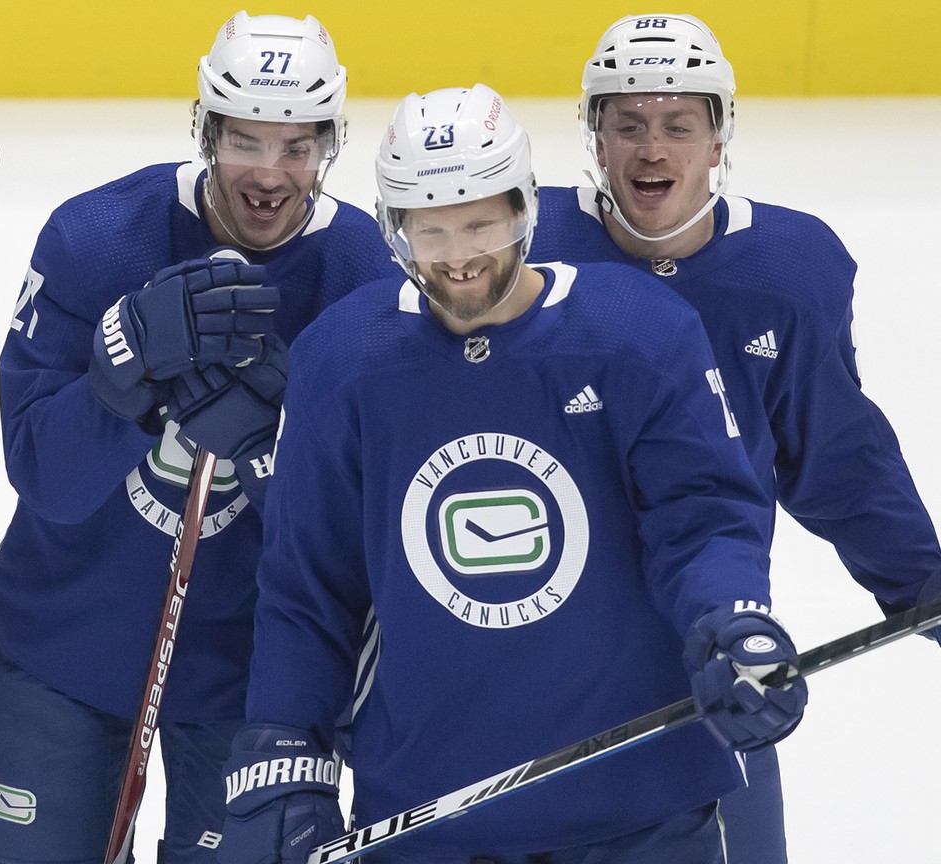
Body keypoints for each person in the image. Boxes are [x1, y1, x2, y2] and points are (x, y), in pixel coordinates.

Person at [218, 85, 809, 864]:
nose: (458, 256)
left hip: (641, 808)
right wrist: (284, 740)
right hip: (431, 814)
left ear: (526, 207)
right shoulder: (344, 360)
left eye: (478, 222)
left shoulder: (638, 332)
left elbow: (700, 517)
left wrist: (729, 619)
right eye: (430, 229)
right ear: (394, 227)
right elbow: (309, 586)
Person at [0, 10, 398, 863]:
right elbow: (42, 473)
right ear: (203, 131)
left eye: (298, 146)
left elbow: (376, 535)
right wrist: (118, 385)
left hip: (251, 680)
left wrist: (275, 449)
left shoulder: (366, 275)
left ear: (331, 143)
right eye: (245, 142)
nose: (272, 175)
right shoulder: (94, 238)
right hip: (63, 650)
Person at [526, 14, 941, 862]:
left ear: (719, 140)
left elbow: (837, 459)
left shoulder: (788, 270)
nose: (653, 150)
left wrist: (925, 587)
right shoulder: (518, 248)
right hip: (533, 644)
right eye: (628, 125)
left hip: (713, 646)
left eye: (680, 126)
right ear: (595, 139)